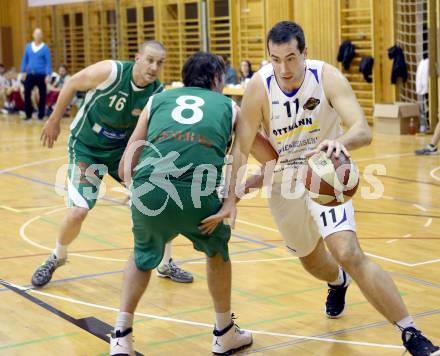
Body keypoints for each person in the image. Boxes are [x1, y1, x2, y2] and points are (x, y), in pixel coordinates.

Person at [201, 21, 440, 356]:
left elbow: (362, 130)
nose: (283, 68)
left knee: (348, 252)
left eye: (290, 58)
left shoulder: (325, 76)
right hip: (284, 182)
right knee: (313, 262)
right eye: (275, 59)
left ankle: (411, 333)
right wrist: (231, 199)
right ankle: (336, 281)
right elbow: (242, 149)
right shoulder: (259, 87)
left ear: (305, 53)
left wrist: (336, 143)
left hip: (325, 175)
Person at [110, 51, 252, 356]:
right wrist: (231, 200)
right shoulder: (229, 106)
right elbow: (255, 155)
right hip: (198, 195)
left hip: (150, 189)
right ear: (216, 80)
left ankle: (121, 336)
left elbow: (130, 154)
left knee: (141, 254)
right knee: (217, 252)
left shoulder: (157, 99)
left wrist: (132, 185)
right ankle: (224, 332)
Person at [31, 40, 193, 288]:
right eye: (149, 60)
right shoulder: (112, 72)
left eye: (159, 63)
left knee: (160, 201)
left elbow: (153, 139)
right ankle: (57, 256)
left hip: (121, 152)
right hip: (87, 147)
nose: (153, 67)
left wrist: (141, 182)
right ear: (137, 57)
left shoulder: (157, 94)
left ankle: (165, 263)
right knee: (78, 211)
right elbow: (73, 82)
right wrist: (54, 119)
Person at [20, 28, 52, 120]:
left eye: (40, 34)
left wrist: (48, 74)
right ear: (33, 35)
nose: (38, 36)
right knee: (26, 92)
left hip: (41, 75)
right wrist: (22, 71)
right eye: (36, 34)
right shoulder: (28, 47)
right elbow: (24, 60)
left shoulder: (45, 48)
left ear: (41, 36)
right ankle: (28, 114)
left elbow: (48, 62)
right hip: (30, 74)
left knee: (42, 94)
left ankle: (41, 114)